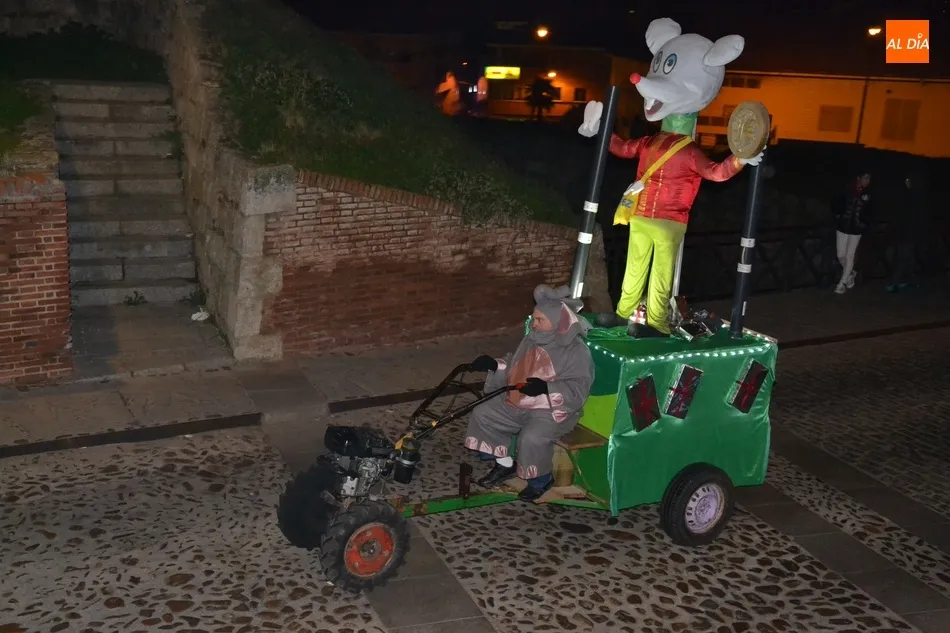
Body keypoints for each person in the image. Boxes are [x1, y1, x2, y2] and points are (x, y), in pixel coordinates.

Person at [464, 285, 594, 501]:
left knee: (532, 437)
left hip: (552, 410)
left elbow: (580, 387)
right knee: (483, 413)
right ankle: (505, 464)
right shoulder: (532, 338)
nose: (534, 324)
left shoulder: (576, 350)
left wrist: (546, 388)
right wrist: (495, 364)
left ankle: (541, 480)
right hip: (520, 400)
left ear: (556, 321)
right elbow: (515, 365)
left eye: (540, 319)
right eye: (534, 318)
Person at [888, 170, 928, 292]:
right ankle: (908, 280)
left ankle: (897, 281)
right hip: (909, 231)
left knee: (903, 256)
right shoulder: (913, 196)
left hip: (907, 231)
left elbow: (904, 215)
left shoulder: (910, 197)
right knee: (908, 256)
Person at [833, 172, 872, 295]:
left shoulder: (869, 194)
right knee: (840, 255)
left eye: (869, 179)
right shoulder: (847, 189)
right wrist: (838, 216)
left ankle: (842, 284)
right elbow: (837, 202)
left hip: (856, 229)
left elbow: (872, 211)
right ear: (858, 178)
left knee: (849, 255)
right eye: (865, 178)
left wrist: (864, 223)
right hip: (843, 226)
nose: (867, 181)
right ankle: (850, 273)